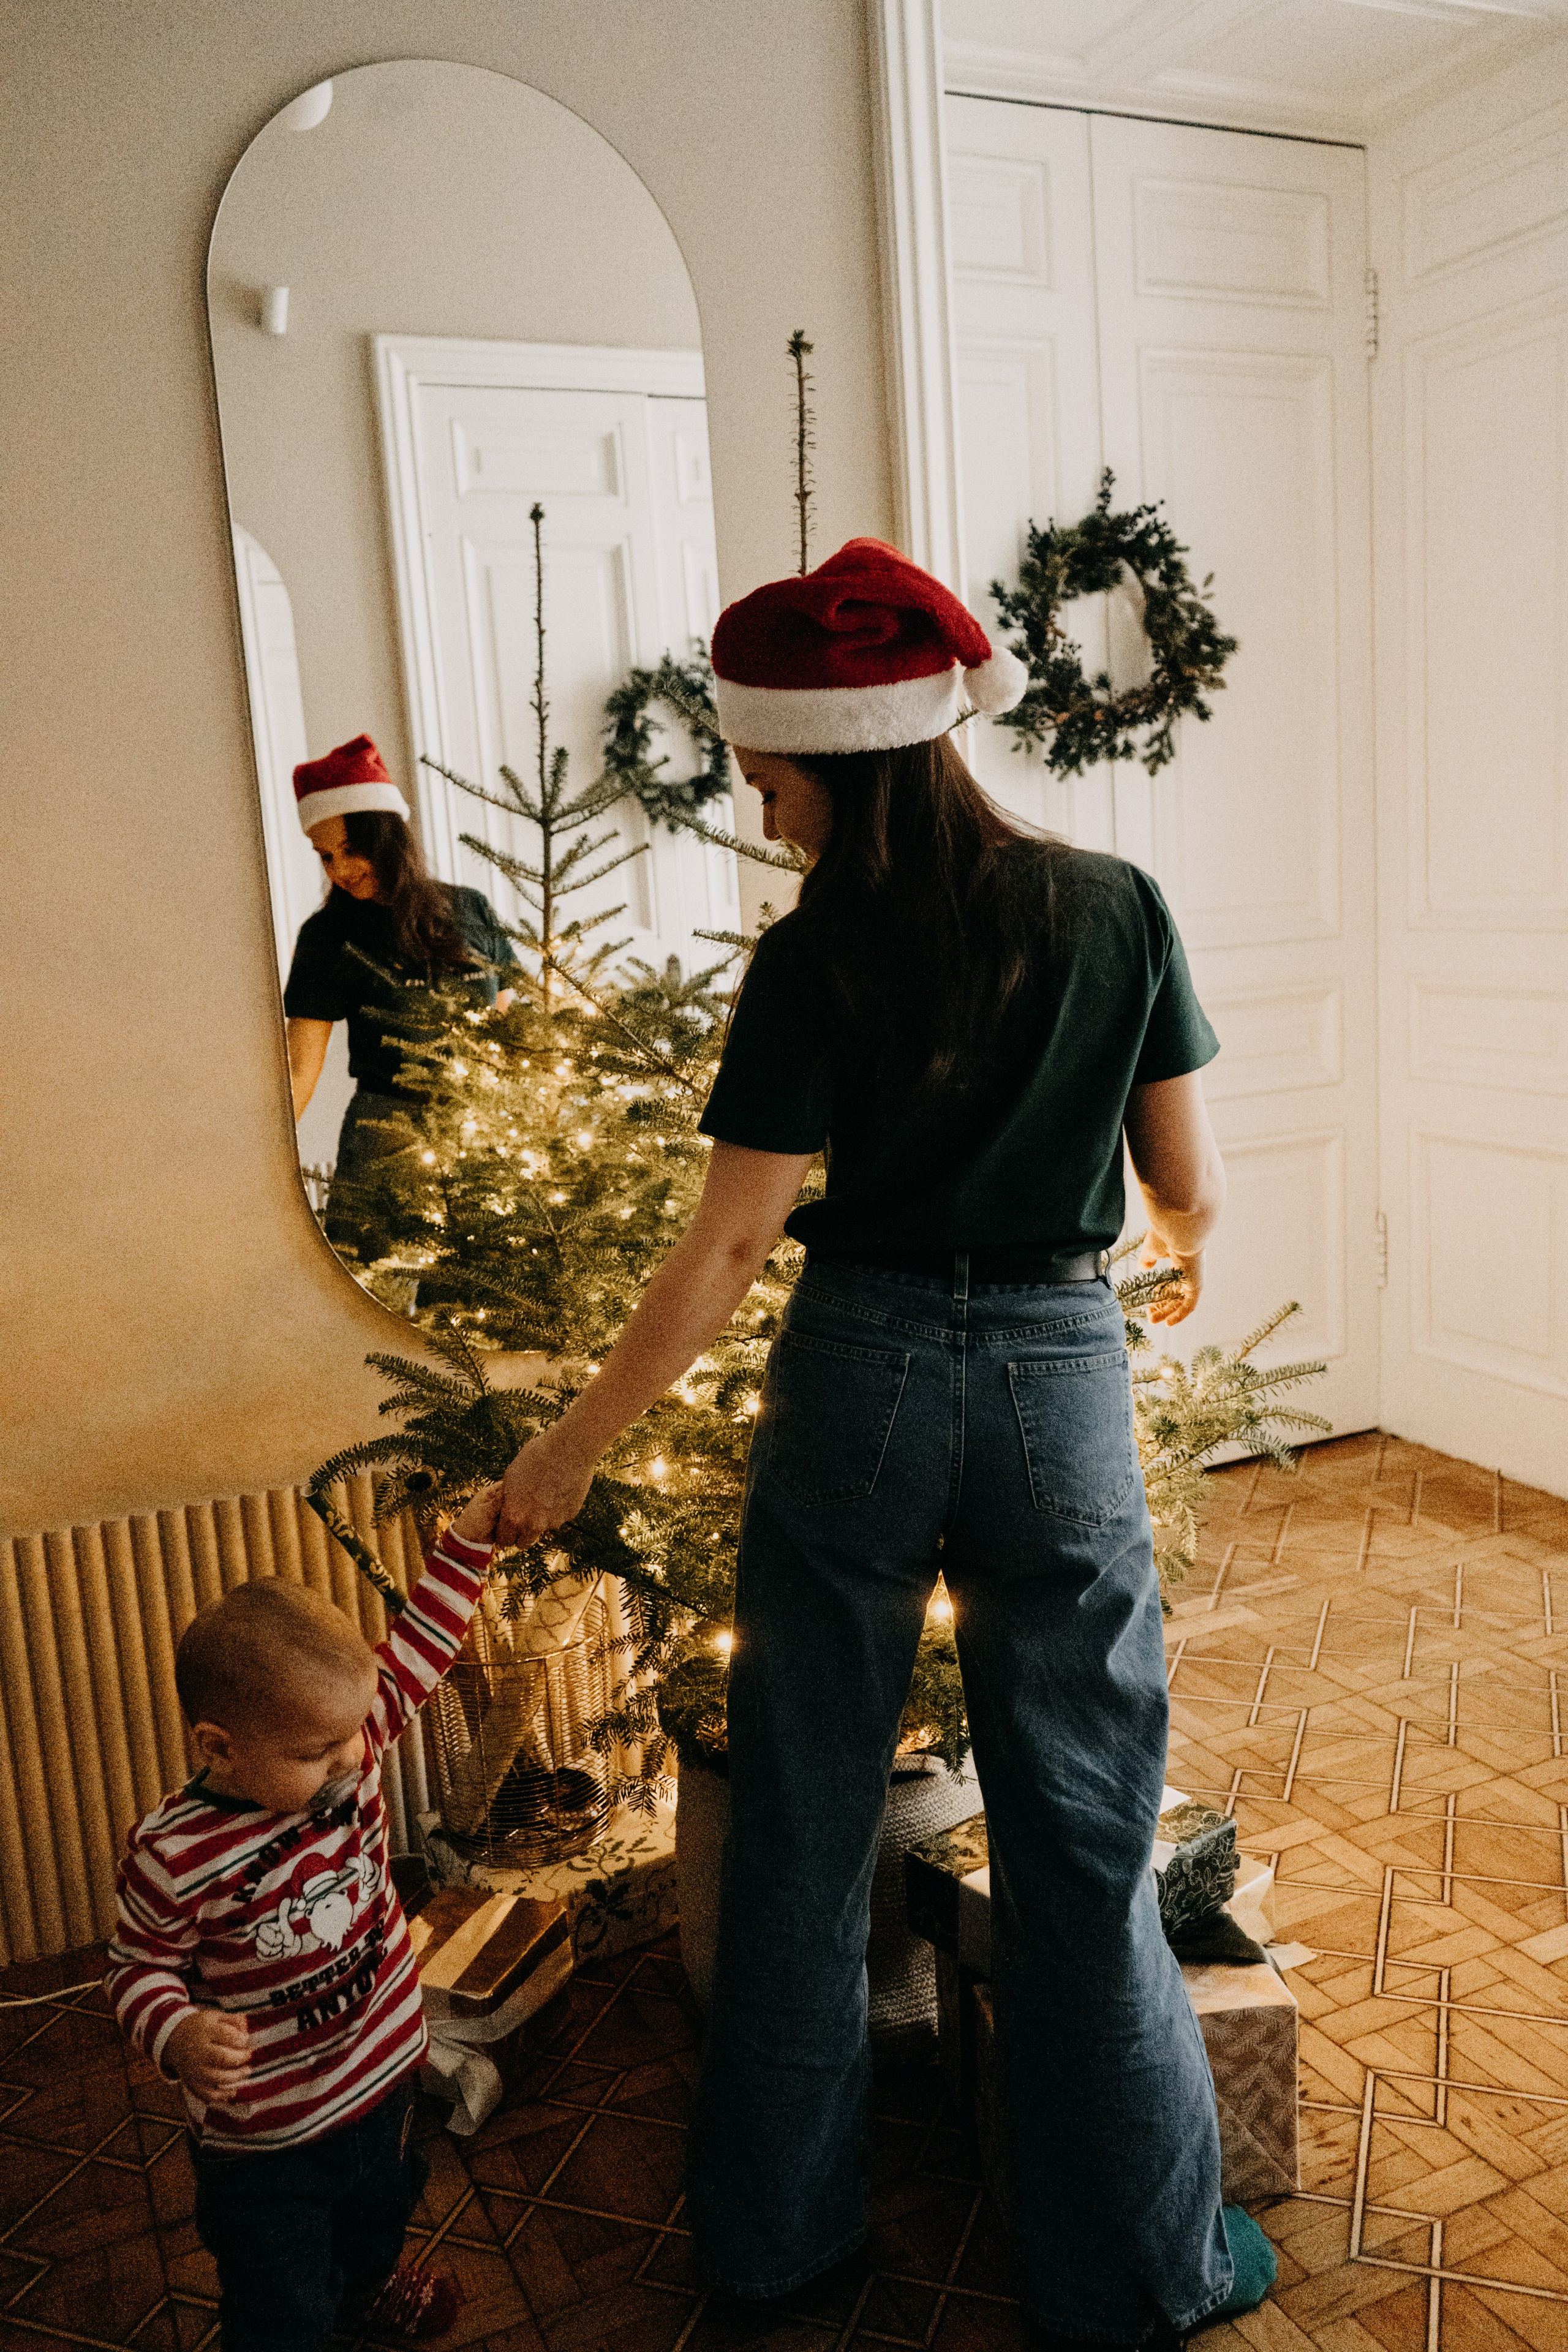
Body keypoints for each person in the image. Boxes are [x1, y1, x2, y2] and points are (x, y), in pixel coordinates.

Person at [491, 538, 1268, 2345]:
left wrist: (569, 1448)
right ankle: (1140, 2266)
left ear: (836, 753)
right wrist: (1155, 1257)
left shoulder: (809, 960)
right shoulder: (1114, 905)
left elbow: (727, 1246)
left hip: (857, 1373)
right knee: (1083, 1833)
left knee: (799, 1821)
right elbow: (1186, 1186)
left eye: (766, 778)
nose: (760, 811)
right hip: (1057, 1371)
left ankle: (776, 2240)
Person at [105, 1480, 505, 2350]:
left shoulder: (346, 1741)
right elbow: (136, 1968)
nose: (351, 1760)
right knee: (279, 2296)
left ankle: (371, 2282)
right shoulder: (174, 1853)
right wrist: (176, 2032)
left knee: (382, 2211)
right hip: (268, 2141)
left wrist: (470, 1540)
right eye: (315, 1752)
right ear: (220, 1747)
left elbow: (422, 1644)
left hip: (385, 2076)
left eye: (353, 1734)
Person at [282, 734, 518, 1258]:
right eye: (325, 856)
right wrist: (257, 1163)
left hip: (481, 1130)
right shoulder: (327, 936)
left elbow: (507, 1004)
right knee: (371, 1287)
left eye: (350, 849)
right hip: (385, 1134)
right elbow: (299, 1069)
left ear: (386, 835)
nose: (339, 871)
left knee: (476, 1294)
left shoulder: (470, 908)